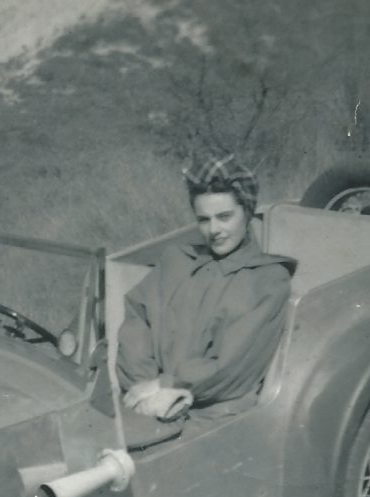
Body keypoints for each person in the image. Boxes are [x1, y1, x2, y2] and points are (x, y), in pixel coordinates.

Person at [118, 153, 296, 421]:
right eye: (204, 219)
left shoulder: (268, 280)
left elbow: (231, 366)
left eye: (225, 217)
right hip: (146, 401)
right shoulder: (176, 259)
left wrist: (168, 385)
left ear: (247, 213)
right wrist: (144, 384)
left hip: (213, 415)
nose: (214, 230)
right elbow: (137, 318)